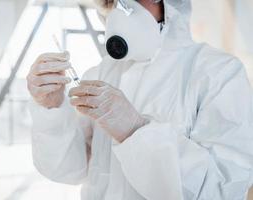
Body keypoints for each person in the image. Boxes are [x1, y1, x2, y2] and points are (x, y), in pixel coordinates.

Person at [26, 0, 253, 199]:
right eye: (113, 1)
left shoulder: (218, 72)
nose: (119, 8)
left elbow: (221, 190)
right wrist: (52, 107)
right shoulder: (101, 73)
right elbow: (70, 169)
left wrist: (135, 130)